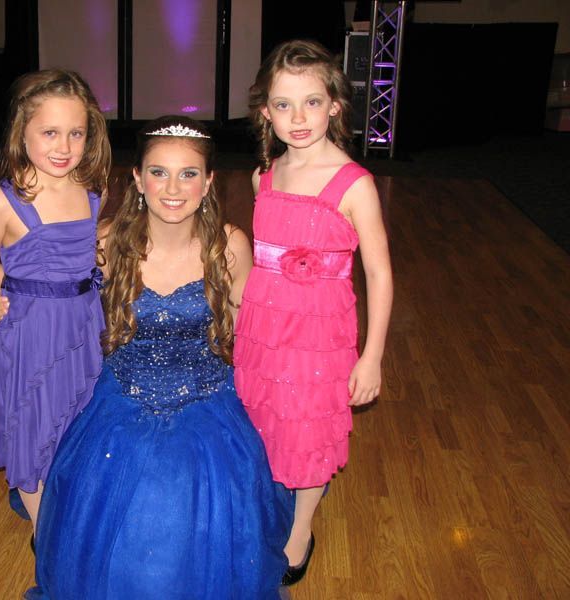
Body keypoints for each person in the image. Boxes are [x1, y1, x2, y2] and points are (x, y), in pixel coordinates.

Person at [0, 115, 293, 598]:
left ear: (209, 181)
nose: (173, 187)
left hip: (208, 401)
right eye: (158, 172)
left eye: (189, 173)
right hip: (119, 400)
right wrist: (0, 300)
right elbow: (48, 291)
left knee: (189, 504)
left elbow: (253, 331)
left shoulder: (229, 246)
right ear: (137, 179)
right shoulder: (105, 242)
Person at [233, 39, 393, 586]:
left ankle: (300, 527)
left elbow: (379, 274)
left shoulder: (355, 184)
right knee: (265, 419)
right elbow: (257, 263)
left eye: (311, 102)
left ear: (335, 106)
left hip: (320, 333)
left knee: (307, 428)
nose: (297, 118)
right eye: (283, 104)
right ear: (265, 112)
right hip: (264, 327)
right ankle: (266, 506)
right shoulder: (264, 177)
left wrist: (370, 358)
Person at [0, 69, 111, 545]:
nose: (64, 146)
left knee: (77, 416)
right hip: (32, 329)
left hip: (86, 322)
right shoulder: (4, 201)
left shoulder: (93, 190)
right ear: (22, 133)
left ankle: (67, 495)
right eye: (49, 132)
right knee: (33, 419)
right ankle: (44, 528)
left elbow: (90, 252)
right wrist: (9, 293)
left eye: (76, 133)